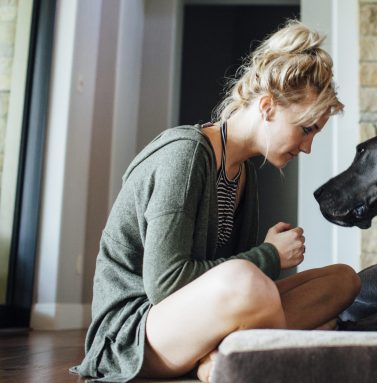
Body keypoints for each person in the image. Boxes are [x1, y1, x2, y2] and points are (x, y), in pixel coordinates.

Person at [71, 20, 361, 383]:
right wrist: (269, 256)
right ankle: (248, 359)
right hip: (135, 332)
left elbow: (230, 282)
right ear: (268, 107)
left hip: (195, 323)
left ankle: (221, 358)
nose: (307, 147)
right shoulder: (186, 155)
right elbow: (165, 282)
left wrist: (261, 264)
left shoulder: (245, 173)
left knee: (342, 280)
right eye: (305, 129)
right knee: (248, 282)